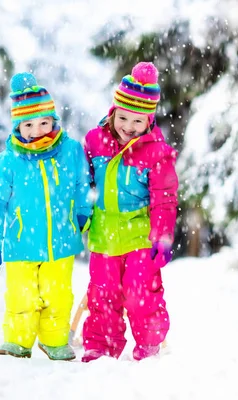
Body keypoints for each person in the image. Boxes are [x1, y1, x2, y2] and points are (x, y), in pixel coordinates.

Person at [0, 72, 92, 361]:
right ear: (18, 125)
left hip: (61, 241)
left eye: (44, 122)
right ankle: (18, 341)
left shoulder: (70, 152)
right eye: (28, 124)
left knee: (58, 295)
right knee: (22, 295)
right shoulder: (8, 162)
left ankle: (55, 340)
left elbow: (81, 185)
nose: (38, 130)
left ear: (54, 120)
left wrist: (82, 212)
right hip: (21, 244)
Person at [81, 62, 178, 362]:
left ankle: (149, 345)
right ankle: (101, 346)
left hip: (139, 236)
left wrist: (161, 238)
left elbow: (164, 199)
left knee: (140, 294)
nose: (128, 126)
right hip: (104, 235)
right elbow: (82, 182)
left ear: (149, 121)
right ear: (113, 112)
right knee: (102, 295)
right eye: (123, 117)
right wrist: (81, 212)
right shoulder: (96, 142)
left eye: (137, 121)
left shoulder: (156, 154)